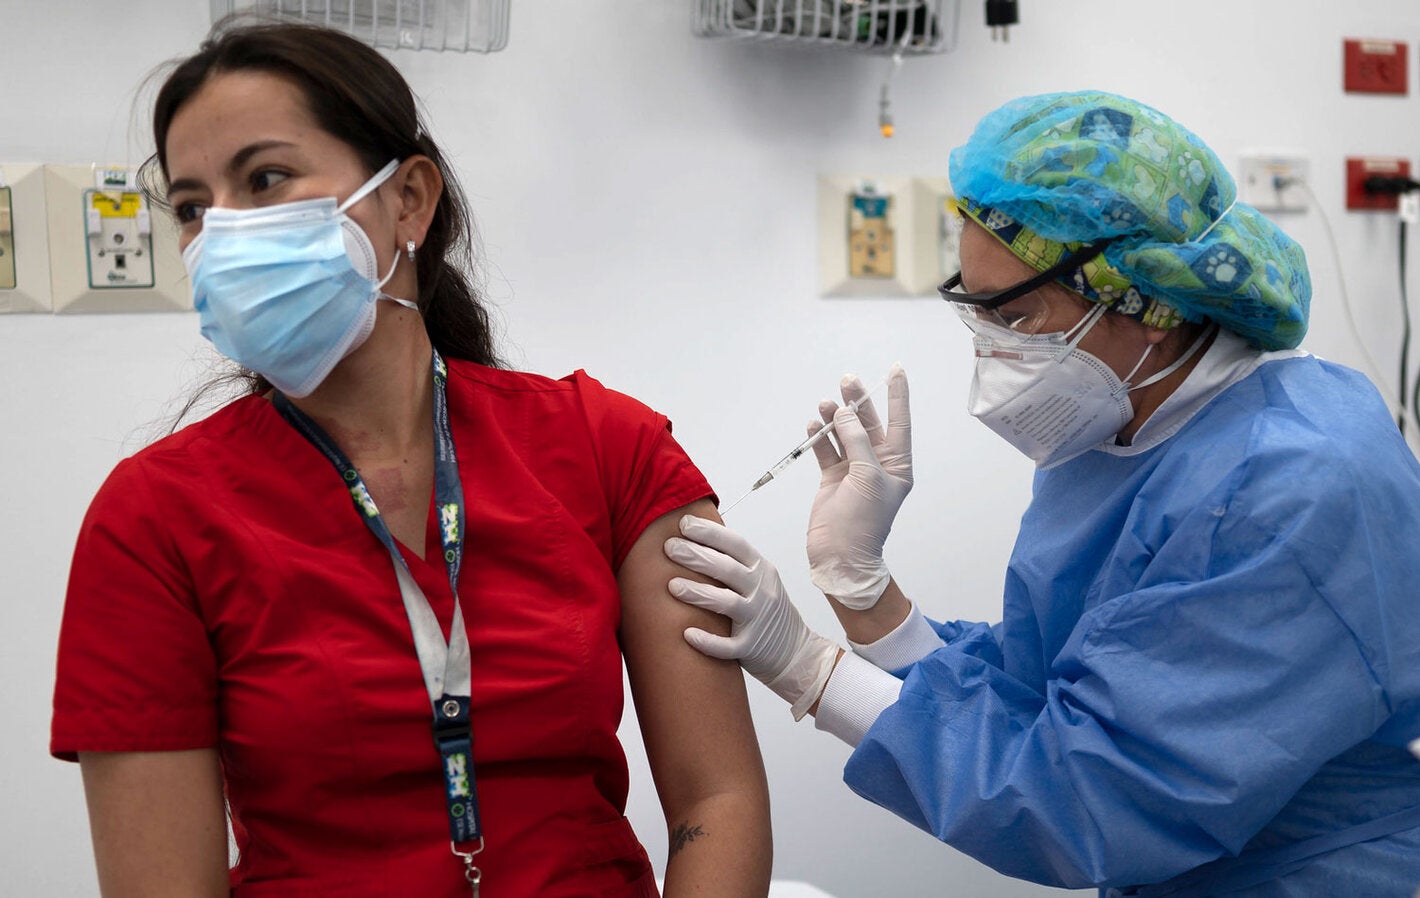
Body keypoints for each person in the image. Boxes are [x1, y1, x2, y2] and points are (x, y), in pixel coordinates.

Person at [50, 21, 772, 898]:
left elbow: (719, 799)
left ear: (409, 202)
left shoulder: (608, 447)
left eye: (266, 179)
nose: (223, 234)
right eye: (194, 207)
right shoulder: (154, 519)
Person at [664, 90, 1420, 895]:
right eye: (979, 315)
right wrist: (864, 588)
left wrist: (811, 672)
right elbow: (1046, 694)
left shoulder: (1288, 487)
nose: (995, 353)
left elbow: (1082, 799)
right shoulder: (1124, 434)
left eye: (1017, 318)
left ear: (1149, 303)